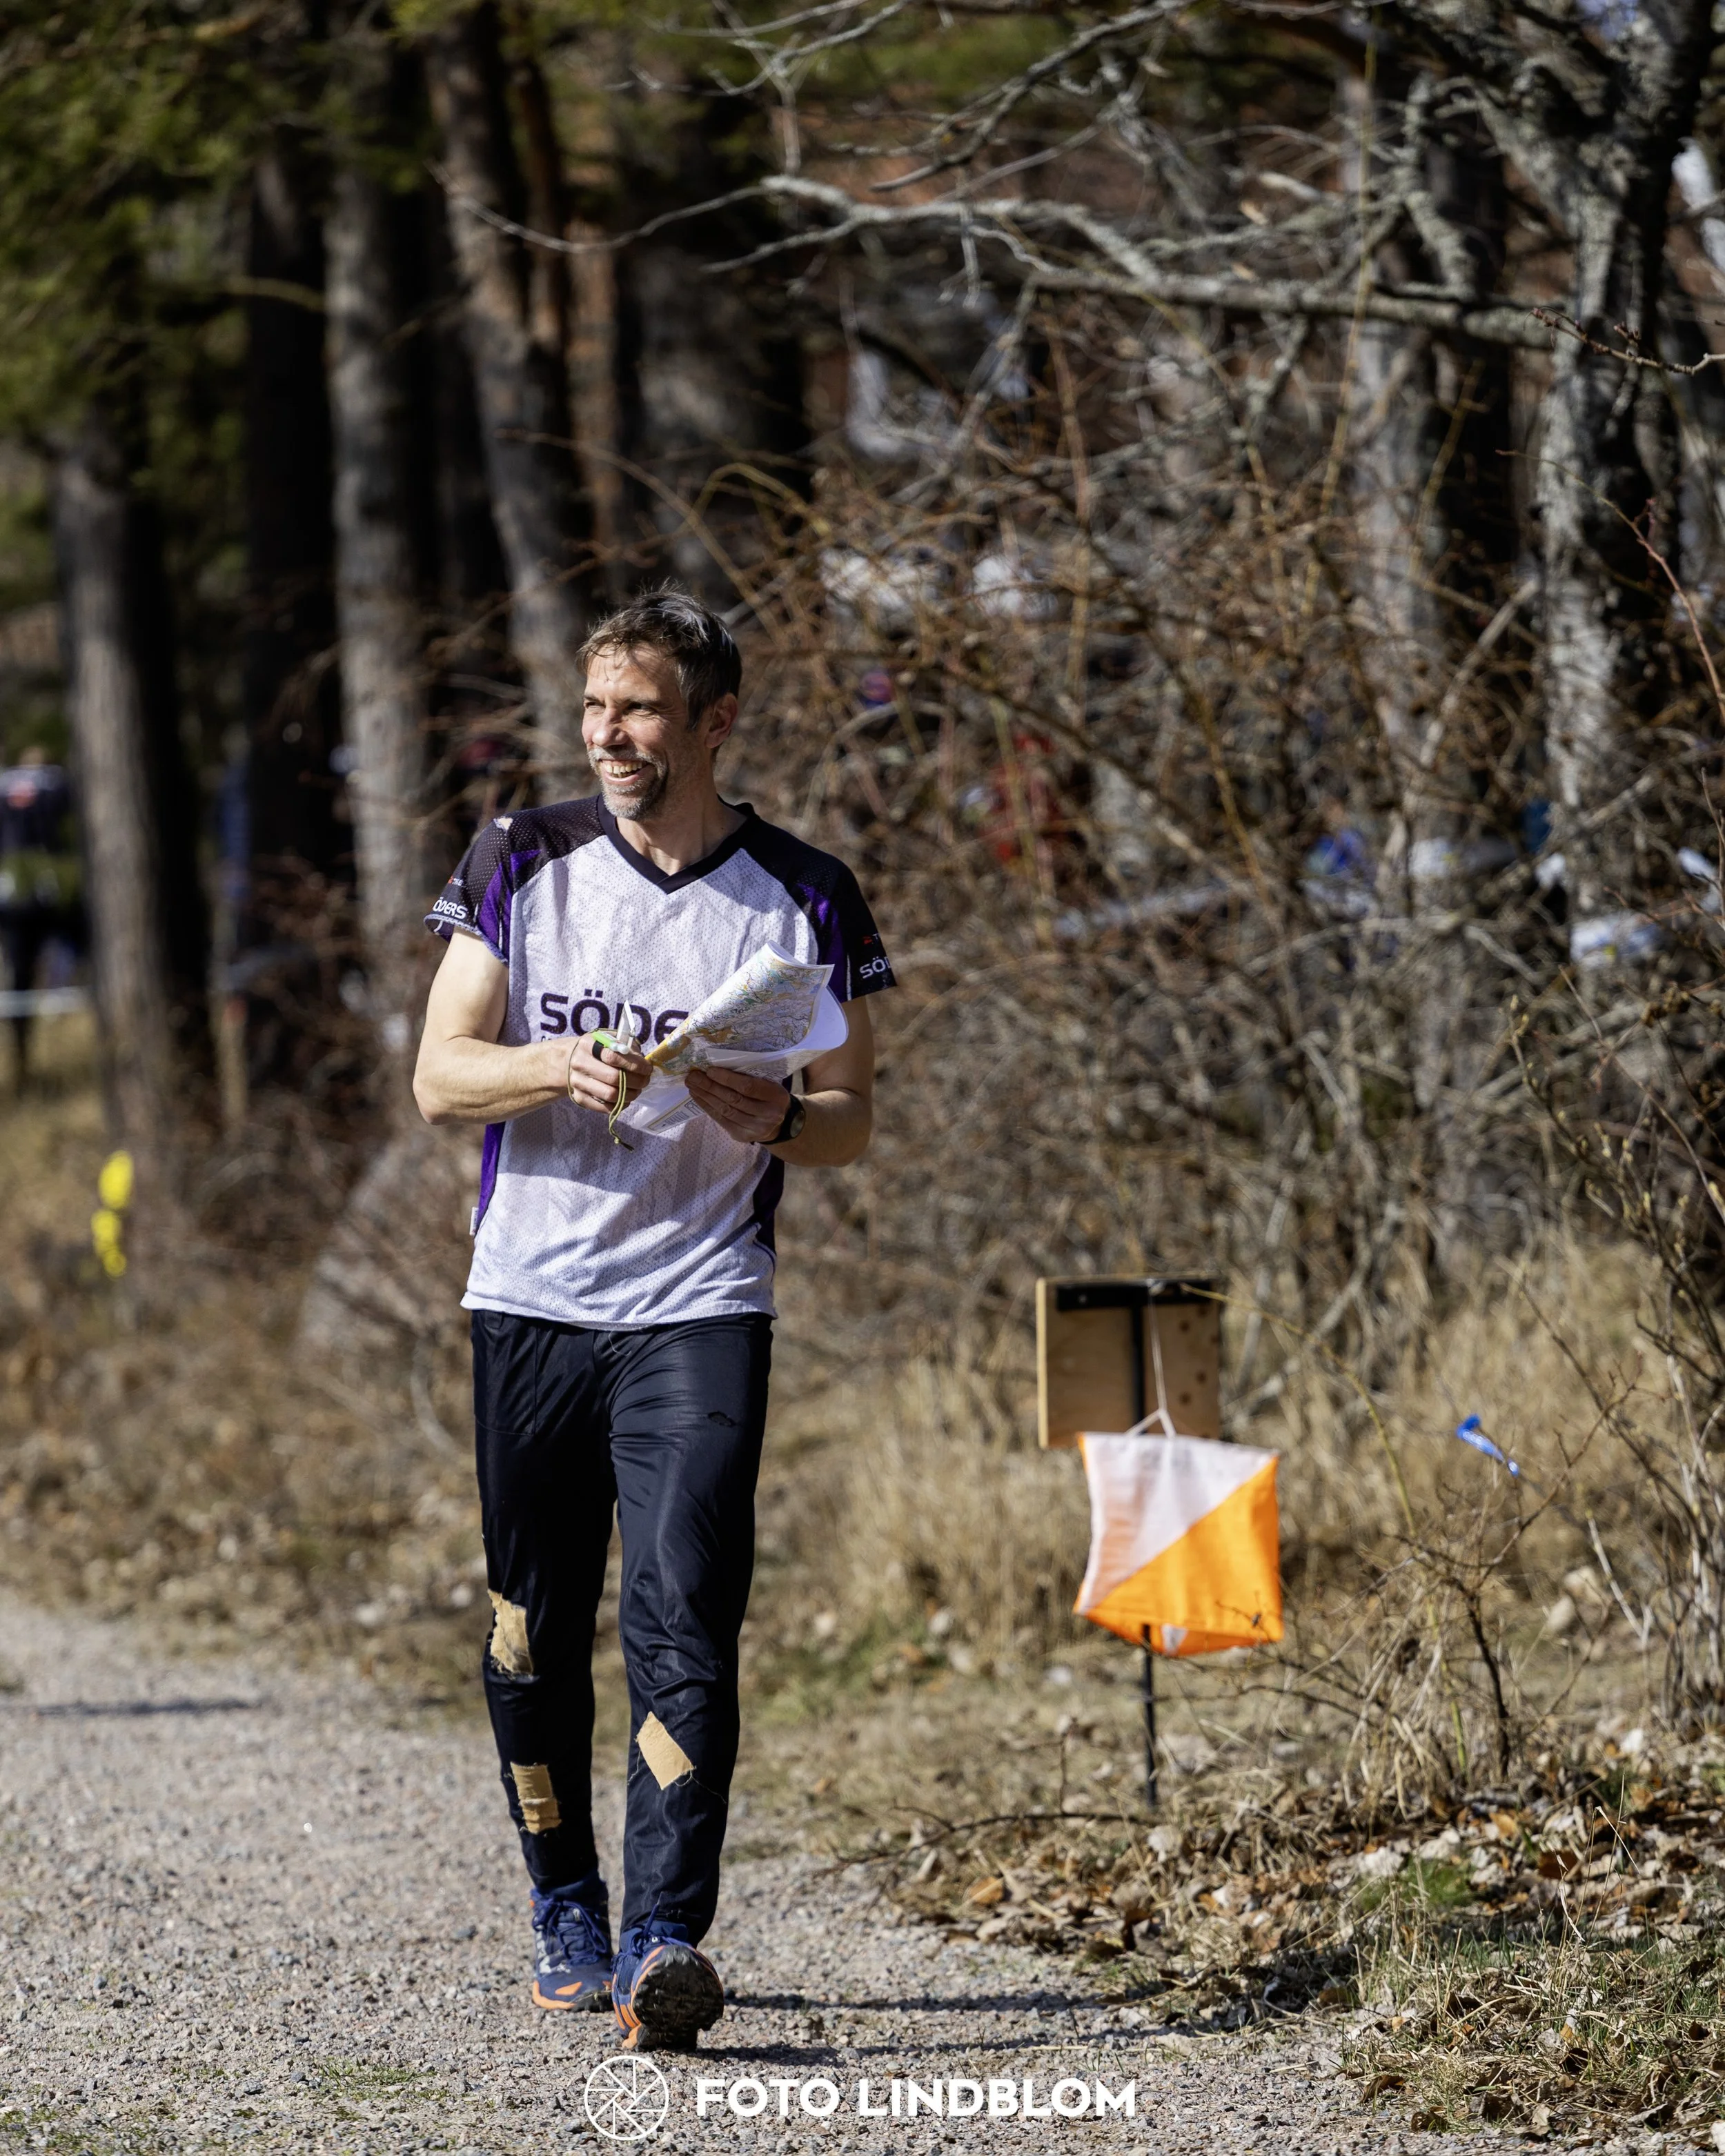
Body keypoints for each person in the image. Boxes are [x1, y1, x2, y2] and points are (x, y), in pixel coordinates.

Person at [412, 588, 893, 2051]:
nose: (609, 737)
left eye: (638, 711)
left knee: (684, 1609)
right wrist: (551, 1066)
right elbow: (439, 1075)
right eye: (594, 711)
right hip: (533, 1296)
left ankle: (661, 1935)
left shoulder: (801, 889)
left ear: (714, 722)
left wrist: (780, 1113)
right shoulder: (522, 855)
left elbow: (852, 1118)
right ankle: (565, 1891)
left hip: (701, 1300)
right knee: (531, 1626)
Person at [0, 746, 79, 1089]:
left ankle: (22, 1058)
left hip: (12, 894)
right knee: (75, 945)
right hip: (51, 887)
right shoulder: (57, 781)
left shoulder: (5, 786)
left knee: (19, 975)